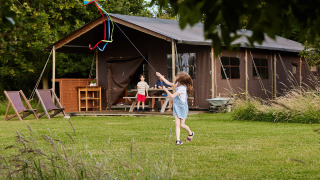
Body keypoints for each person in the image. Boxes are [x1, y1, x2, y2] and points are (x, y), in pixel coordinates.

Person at [156, 71, 194, 145]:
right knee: (177, 124)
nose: (175, 77)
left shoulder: (182, 88)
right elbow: (168, 83)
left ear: (180, 79)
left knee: (182, 125)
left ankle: (191, 133)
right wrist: (160, 75)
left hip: (183, 107)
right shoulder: (177, 85)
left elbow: (172, 96)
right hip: (177, 106)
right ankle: (178, 140)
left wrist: (166, 90)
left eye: (177, 76)